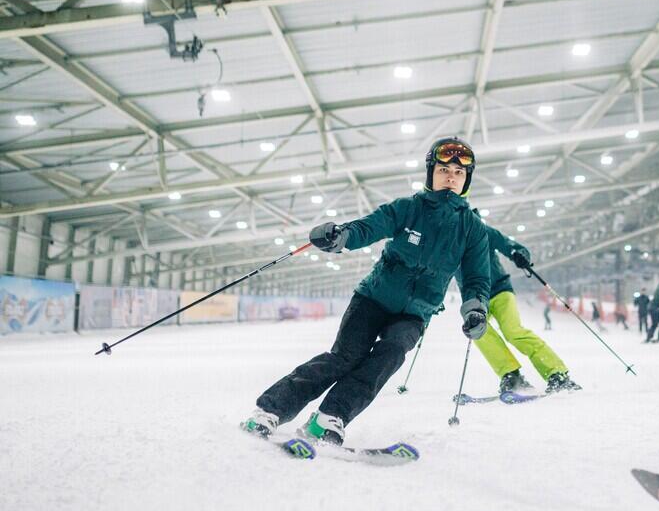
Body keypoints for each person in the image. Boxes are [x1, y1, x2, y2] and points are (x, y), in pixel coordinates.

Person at [241, 137, 492, 444]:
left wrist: (476, 309)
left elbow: (477, 277)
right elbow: (368, 227)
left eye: (458, 172)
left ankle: (329, 418)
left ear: (466, 180)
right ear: (431, 174)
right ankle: (271, 410)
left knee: (391, 353)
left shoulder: (473, 229)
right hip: (373, 299)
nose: (451, 177)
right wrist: (341, 236)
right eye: (443, 170)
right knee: (344, 358)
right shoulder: (407, 208)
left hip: (415, 313)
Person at [457, 215, 582, 395]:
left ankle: (557, 373)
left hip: (500, 289)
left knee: (513, 331)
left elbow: (508, 244)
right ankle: (510, 375)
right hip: (474, 299)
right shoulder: (445, 242)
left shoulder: (480, 229)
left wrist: (518, 254)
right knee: (479, 332)